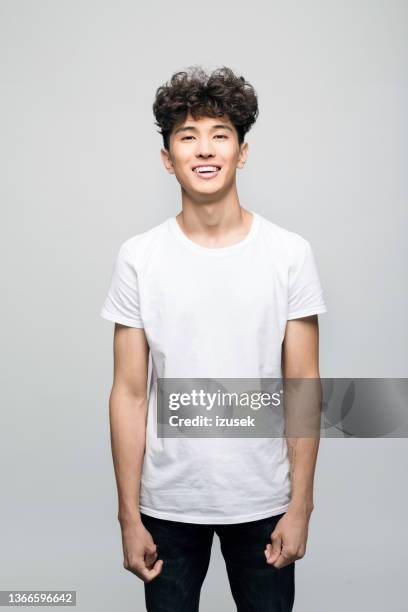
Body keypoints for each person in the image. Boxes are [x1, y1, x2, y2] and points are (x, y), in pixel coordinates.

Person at [100, 65, 328, 612]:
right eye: (188, 137)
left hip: (264, 501)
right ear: (167, 158)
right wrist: (128, 516)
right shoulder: (140, 258)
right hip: (168, 506)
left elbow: (303, 386)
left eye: (220, 135)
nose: (205, 150)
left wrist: (301, 507)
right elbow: (129, 394)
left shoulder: (288, 254)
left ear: (242, 152)